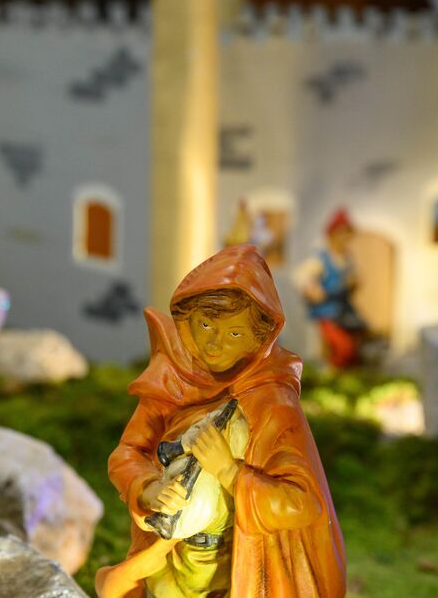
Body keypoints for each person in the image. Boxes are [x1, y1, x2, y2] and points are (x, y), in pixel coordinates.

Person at [97, 244, 347, 598]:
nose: (214, 344)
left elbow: (302, 503)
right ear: (186, 320)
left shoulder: (271, 401)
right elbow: (128, 452)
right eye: (205, 325)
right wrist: (148, 489)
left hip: (242, 566)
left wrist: (230, 472)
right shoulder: (171, 381)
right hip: (170, 558)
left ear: (259, 340)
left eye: (234, 334)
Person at [294, 208, 367, 370]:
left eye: (347, 234)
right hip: (326, 312)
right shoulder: (322, 258)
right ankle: (332, 373)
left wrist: (353, 284)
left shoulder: (347, 258)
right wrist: (310, 289)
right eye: (342, 234)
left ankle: (344, 374)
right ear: (332, 235)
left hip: (344, 311)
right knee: (342, 348)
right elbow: (301, 275)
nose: (345, 239)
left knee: (356, 345)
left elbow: (351, 280)